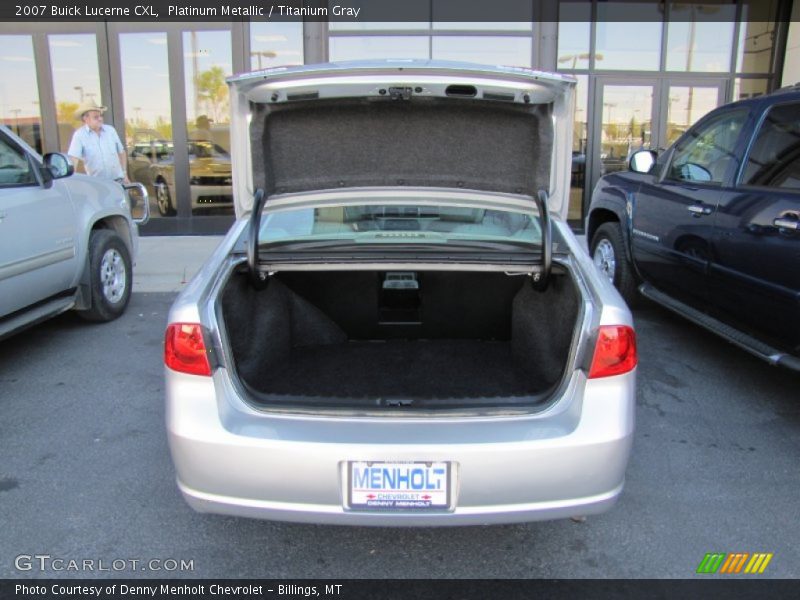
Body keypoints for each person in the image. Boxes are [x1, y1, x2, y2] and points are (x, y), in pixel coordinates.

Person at [67, 102, 129, 184]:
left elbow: (121, 152)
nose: (100, 119)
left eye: (101, 116)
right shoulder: (79, 135)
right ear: (85, 119)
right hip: (98, 185)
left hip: (119, 181)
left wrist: (124, 174)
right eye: (96, 117)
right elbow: (73, 159)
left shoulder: (110, 131)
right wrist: (70, 181)